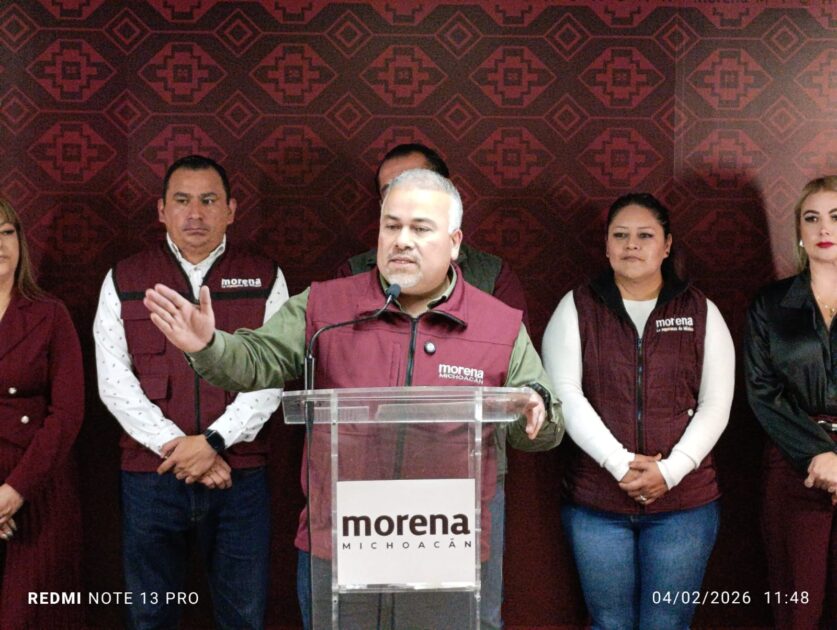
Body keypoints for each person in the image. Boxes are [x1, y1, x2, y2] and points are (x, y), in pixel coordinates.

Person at [143, 168, 564, 629]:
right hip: (344, 539)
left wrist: (535, 410)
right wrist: (209, 345)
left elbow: (543, 417)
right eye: (391, 226)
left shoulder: (499, 325)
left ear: (454, 242)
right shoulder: (325, 308)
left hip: (443, 542)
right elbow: (254, 360)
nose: (402, 241)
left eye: (420, 229)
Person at [93, 155, 289, 629]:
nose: (195, 214)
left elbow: (273, 373)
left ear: (231, 210)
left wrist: (215, 442)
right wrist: (179, 448)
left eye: (208, 200)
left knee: (243, 616)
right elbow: (114, 380)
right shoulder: (125, 278)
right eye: (182, 201)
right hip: (152, 477)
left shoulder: (265, 276)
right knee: (150, 616)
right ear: (162, 210)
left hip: (240, 476)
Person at [337, 142, 527, 629]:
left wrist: (535, 404)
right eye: (389, 192)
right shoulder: (355, 275)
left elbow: (522, 382)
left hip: (465, 474)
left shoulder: (491, 275)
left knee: (469, 613)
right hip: (369, 475)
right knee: (373, 609)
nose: (403, 194)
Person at [543, 192, 734, 629]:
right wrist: (619, 464)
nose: (631, 245)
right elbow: (565, 395)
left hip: (683, 506)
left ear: (667, 246)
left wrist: (670, 471)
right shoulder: (577, 306)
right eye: (620, 235)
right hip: (597, 505)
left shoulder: (700, 311)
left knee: (667, 623)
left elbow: (716, 404)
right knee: (609, 623)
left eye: (645, 235)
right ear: (606, 246)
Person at [744, 176, 837, 630]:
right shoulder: (771, 304)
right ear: (799, 231)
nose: (824, 228)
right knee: (798, 611)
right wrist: (819, 453)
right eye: (811, 218)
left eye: (836, 217)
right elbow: (761, 389)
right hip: (794, 468)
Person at [0, 198, 84, 628]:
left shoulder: (50, 314)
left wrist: (15, 490)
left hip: (36, 487)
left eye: (6, 232)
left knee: (28, 619)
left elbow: (68, 412)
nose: (0, 245)